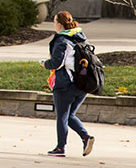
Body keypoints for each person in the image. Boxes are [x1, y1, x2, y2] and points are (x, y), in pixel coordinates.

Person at [40, 11, 95, 157]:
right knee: (70, 115)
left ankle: (60, 148)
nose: (54, 25)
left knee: (63, 116)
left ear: (59, 24)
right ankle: (85, 138)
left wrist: (44, 64)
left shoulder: (61, 40)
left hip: (66, 84)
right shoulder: (80, 37)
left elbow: (56, 63)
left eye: (54, 22)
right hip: (83, 84)